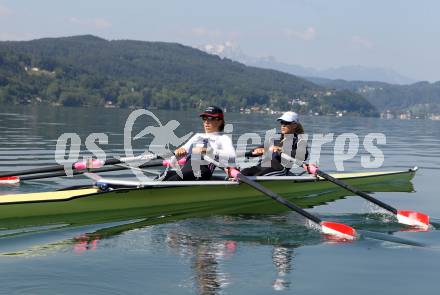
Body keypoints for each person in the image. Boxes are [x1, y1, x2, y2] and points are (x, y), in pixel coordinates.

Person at [162, 106, 236, 181]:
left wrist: (207, 151)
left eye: (210, 118)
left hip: (201, 172)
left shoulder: (223, 138)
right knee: (164, 175)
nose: (206, 121)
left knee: (173, 179)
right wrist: (179, 151)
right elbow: (180, 153)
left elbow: (231, 156)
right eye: (204, 118)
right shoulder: (197, 136)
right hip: (187, 171)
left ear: (220, 121)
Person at [240, 111, 308, 176]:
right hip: (261, 167)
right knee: (244, 172)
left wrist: (280, 149)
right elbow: (254, 151)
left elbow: (303, 155)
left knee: (260, 174)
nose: (283, 125)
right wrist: (255, 151)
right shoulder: (274, 139)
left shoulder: (299, 141)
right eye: (282, 122)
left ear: (294, 125)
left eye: (286, 123)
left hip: (278, 170)